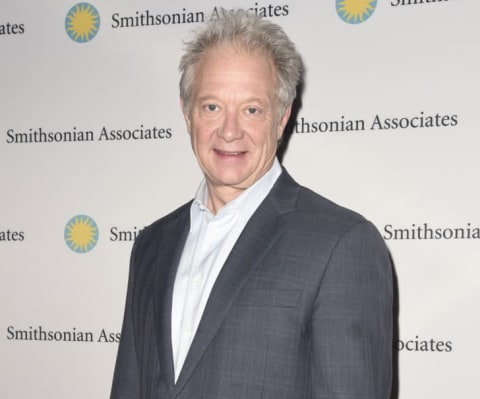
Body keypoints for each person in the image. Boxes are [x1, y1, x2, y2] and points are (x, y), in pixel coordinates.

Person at [111, 8, 393, 399]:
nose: (229, 130)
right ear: (187, 113)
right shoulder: (151, 245)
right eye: (212, 107)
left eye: (251, 110)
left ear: (281, 119)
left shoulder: (342, 245)